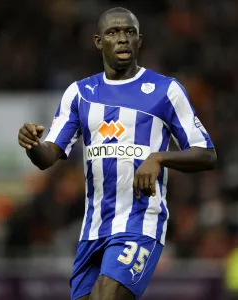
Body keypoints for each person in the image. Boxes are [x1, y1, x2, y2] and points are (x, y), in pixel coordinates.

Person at [18, 7, 217, 300]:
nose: (122, 39)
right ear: (99, 41)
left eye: (129, 32)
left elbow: (207, 154)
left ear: (139, 41)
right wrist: (33, 145)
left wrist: (158, 157)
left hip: (140, 223)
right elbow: (48, 157)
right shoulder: (80, 93)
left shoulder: (166, 90)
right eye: (113, 33)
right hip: (93, 230)